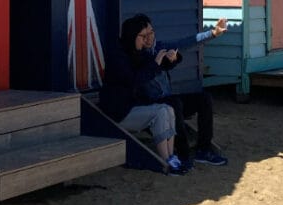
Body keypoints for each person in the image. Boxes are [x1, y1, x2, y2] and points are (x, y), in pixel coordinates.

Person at [98, 13, 228, 175]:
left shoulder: (157, 48)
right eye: (144, 35)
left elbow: (184, 43)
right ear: (134, 36)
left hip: (164, 100)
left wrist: (212, 34)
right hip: (147, 103)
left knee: (203, 98)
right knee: (173, 105)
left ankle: (203, 149)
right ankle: (182, 155)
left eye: (151, 32)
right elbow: (139, 76)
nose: (149, 38)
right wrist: (157, 63)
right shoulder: (133, 55)